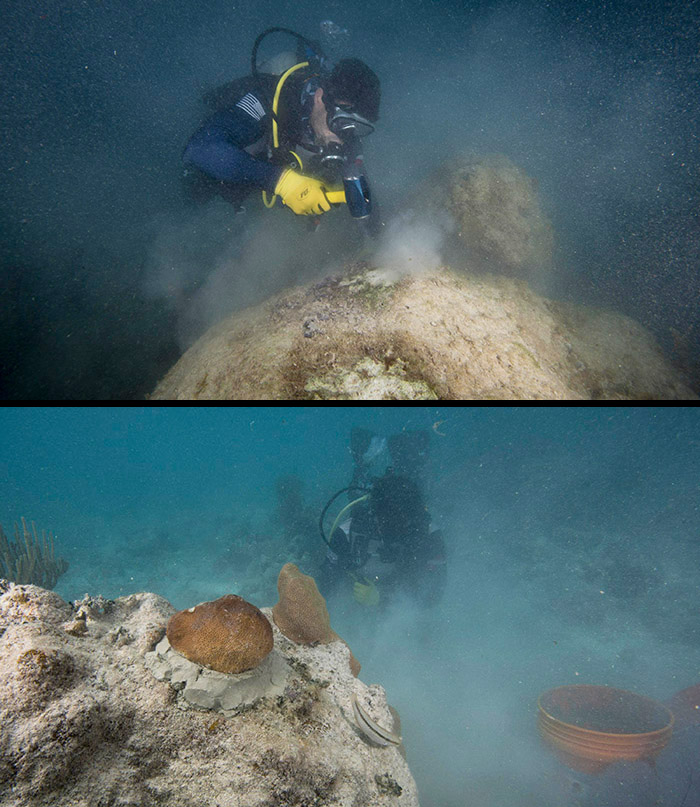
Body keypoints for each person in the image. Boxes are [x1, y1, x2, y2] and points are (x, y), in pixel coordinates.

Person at [181, 29, 380, 216]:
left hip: (264, 167)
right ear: (320, 97)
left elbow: (364, 198)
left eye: (359, 128)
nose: (344, 136)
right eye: (341, 123)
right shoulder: (270, 99)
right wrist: (283, 183)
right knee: (196, 192)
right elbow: (200, 148)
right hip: (227, 155)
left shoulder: (349, 139)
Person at [319, 428, 447, 608]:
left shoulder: (428, 534)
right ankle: (364, 459)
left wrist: (382, 598)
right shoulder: (349, 532)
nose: (393, 531)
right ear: (374, 516)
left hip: (394, 590)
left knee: (414, 477)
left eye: (400, 523)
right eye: (387, 522)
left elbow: (434, 593)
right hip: (369, 512)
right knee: (358, 494)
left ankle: (407, 456)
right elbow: (327, 582)